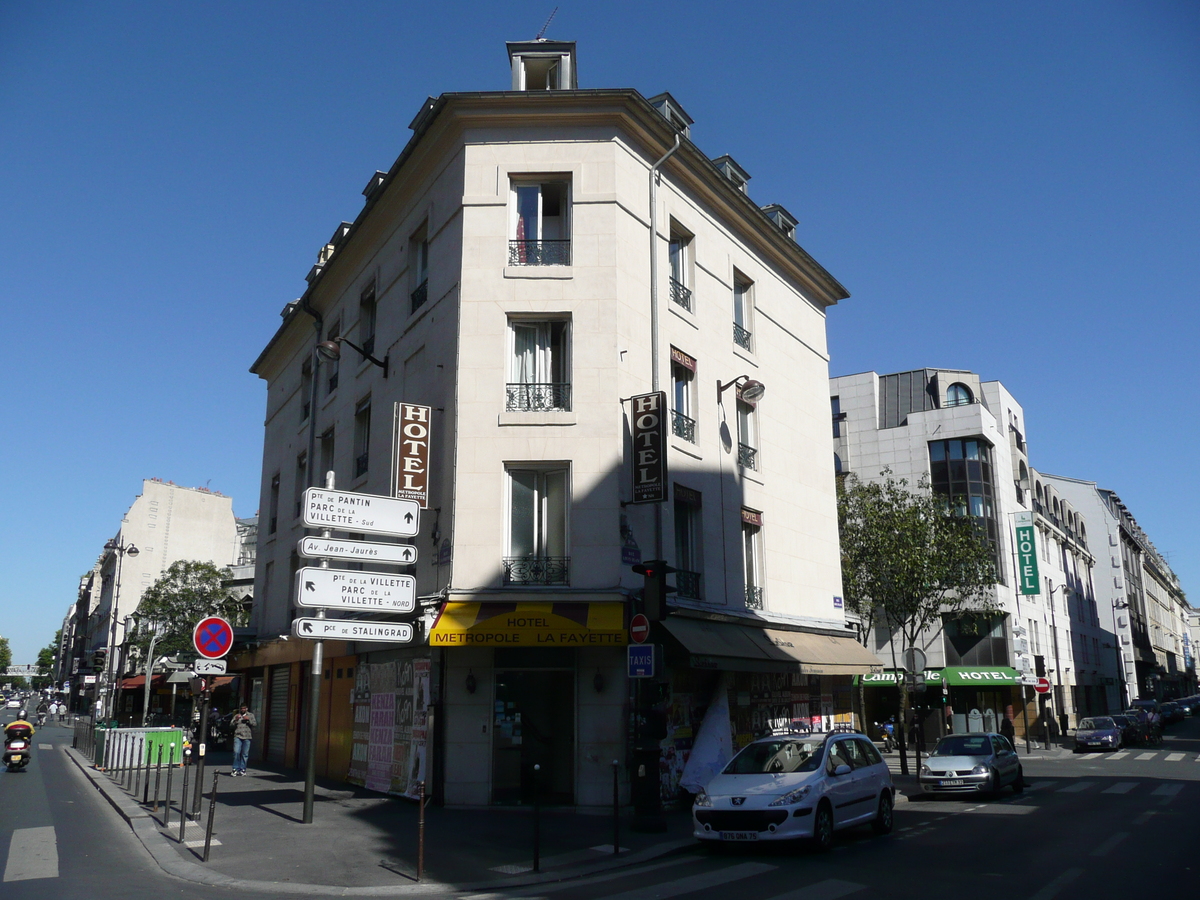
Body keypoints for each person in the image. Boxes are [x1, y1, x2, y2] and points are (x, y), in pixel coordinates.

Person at [230, 705, 257, 776]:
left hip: (247, 737)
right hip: (238, 736)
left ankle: (243, 769)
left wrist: (248, 720)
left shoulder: (250, 715)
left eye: (244, 708)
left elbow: (254, 724)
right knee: (236, 752)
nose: (243, 709)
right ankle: (235, 769)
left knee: (245, 754)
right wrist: (236, 720)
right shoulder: (237, 715)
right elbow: (231, 725)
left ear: (246, 709)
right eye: (241, 708)